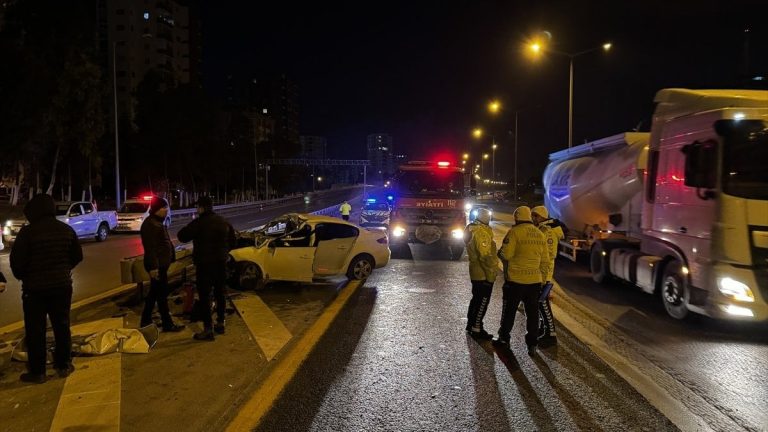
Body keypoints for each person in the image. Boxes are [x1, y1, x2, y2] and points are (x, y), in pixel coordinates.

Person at [10, 194, 83, 384]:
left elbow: (17, 264)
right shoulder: (66, 230)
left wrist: (25, 276)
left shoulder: (27, 233)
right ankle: (64, 364)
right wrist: (63, 269)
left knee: (36, 330)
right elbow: (77, 256)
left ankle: (38, 371)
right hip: (62, 287)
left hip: (35, 290)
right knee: (62, 325)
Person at [177, 196, 236, 341]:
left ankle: (208, 329)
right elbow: (233, 241)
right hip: (221, 264)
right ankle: (221, 323)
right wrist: (224, 252)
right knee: (220, 293)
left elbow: (182, 236)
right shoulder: (223, 222)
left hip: (204, 266)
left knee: (205, 296)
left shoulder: (199, 223)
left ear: (201, 208)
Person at [495, 206, 550, 356]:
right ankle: (532, 343)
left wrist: (500, 252)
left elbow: (505, 255)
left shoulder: (514, 232)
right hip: (534, 282)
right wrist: (543, 280)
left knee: (510, 311)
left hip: (516, 281)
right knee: (532, 313)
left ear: (517, 217)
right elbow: (545, 261)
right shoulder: (539, 234)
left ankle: (504, 338)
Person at [140, 196, 185, 333]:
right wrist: (153, 268)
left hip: (161, 265)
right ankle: (167, 324)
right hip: (158, 267)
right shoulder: (151, 225)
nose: (166, 210)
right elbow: (151, 249)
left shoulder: (157, 223)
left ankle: (146, 320)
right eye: (163, 208)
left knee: (155, 294)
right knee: (161, 295)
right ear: (156, 210)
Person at [532, 206, 564, 344]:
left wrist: (544, 278)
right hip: (540, 272)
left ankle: (551, 334)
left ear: (541, 217)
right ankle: (543, 328)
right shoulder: (542, 229)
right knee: (539, 304)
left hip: (544, 273)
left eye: (535, 216)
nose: (533, 219)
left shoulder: (548, 231)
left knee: (543, 303)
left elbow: (549, 255)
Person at [464, 207, 498, 339]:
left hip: (475, 271)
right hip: (482, 272)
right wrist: (491, 274)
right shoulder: (481, 232)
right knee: (483, 300)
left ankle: (471, 324)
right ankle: (477, 328)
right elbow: (485, 255)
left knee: (476, 299)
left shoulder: (472, 228)